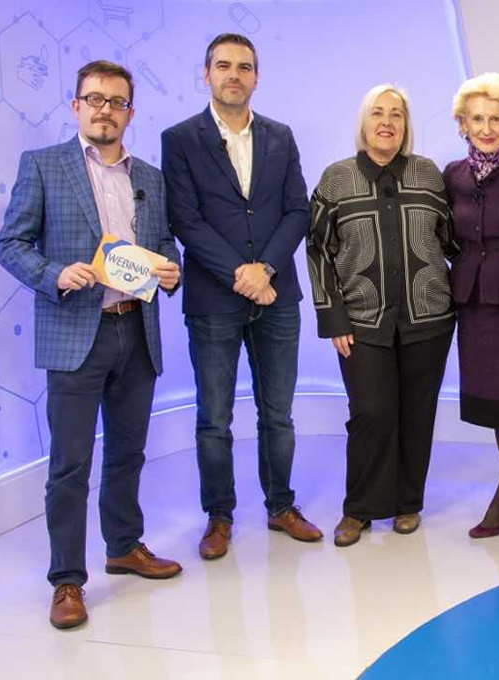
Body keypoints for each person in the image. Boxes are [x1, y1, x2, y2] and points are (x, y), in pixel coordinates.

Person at [0, 60, 183, 630]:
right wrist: (54, 273)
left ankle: (124, 545)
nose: (105, 109)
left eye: (116, 101)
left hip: (135, 330)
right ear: (76, 106)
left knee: (127, 453)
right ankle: (67, 581)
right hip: (76, 334)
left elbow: (162, 242)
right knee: (70, 464)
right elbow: (10, 242)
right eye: (94, 99)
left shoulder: (149, 174)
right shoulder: (43, 166)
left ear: (130, 112)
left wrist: (171, 271)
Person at [161, 33, 318, 561]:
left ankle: (281, 507)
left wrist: (267, 267)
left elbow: (298, 209)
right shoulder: (180, 138)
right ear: (206, 74)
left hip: (277, 294)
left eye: (244, 67)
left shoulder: (281, 135)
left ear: (256, 76)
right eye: (223, 66)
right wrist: (239, 272)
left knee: (279, 414)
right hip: (214, 298)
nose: (234, 74)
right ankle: (219, 517)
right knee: (215, 417)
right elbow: (185, 219)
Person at [306, 84, 457, 548]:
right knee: (370, 412)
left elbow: (452, 239)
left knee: (417, 412)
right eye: (378, 113)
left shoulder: (428, 174)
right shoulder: (336, 178)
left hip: (427, 318)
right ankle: (360, 509)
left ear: (406, 125)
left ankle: (408, 503)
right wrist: (333, 317)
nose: (387, 122)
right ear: (364, 122)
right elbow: (317, 249)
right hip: (361, 320)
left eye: (396, 114)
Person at [443, 73, 499, 539]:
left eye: (496, 118)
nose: (486, 127)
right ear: (462, 123)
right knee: (493, 404)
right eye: (477, 118)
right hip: (470, 300)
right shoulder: (452, 175)